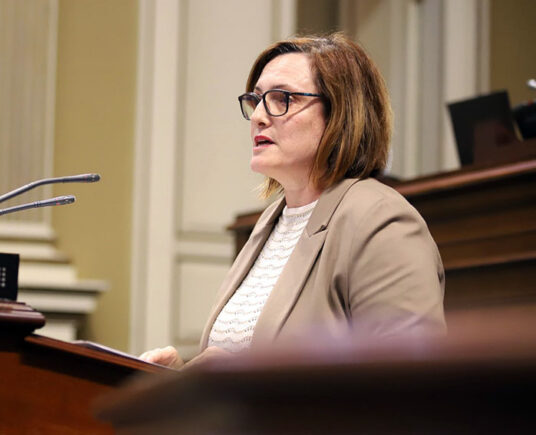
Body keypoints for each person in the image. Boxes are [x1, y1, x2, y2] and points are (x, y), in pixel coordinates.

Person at [140, 33, 446, 369]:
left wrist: (242, 380)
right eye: (256, 100)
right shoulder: (270, 222)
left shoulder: (381, 220)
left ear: (340, 113)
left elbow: (411, 385)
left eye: (282, 98)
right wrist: (181, 379)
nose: (258, 116)